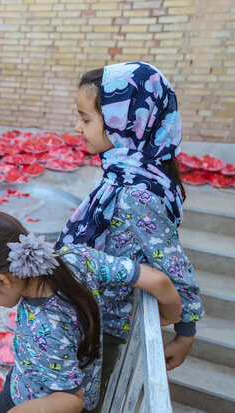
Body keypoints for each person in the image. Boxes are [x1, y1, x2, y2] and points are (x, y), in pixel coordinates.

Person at [56, 61, 204, 410]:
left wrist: (186, 332)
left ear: (126, 122)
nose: (78, 127)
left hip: (102, 324)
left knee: (82, 400)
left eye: (86, 118)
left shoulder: (137, 191)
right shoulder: (123, 168)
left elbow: (174, 264)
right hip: (91, 310)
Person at [0, 211, 182, 413]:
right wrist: (172, 316)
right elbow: (158, 280)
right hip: (45, 377)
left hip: (34, 397)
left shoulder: (43, 327)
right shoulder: (76, 257)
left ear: (1, 280)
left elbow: (71, 400)